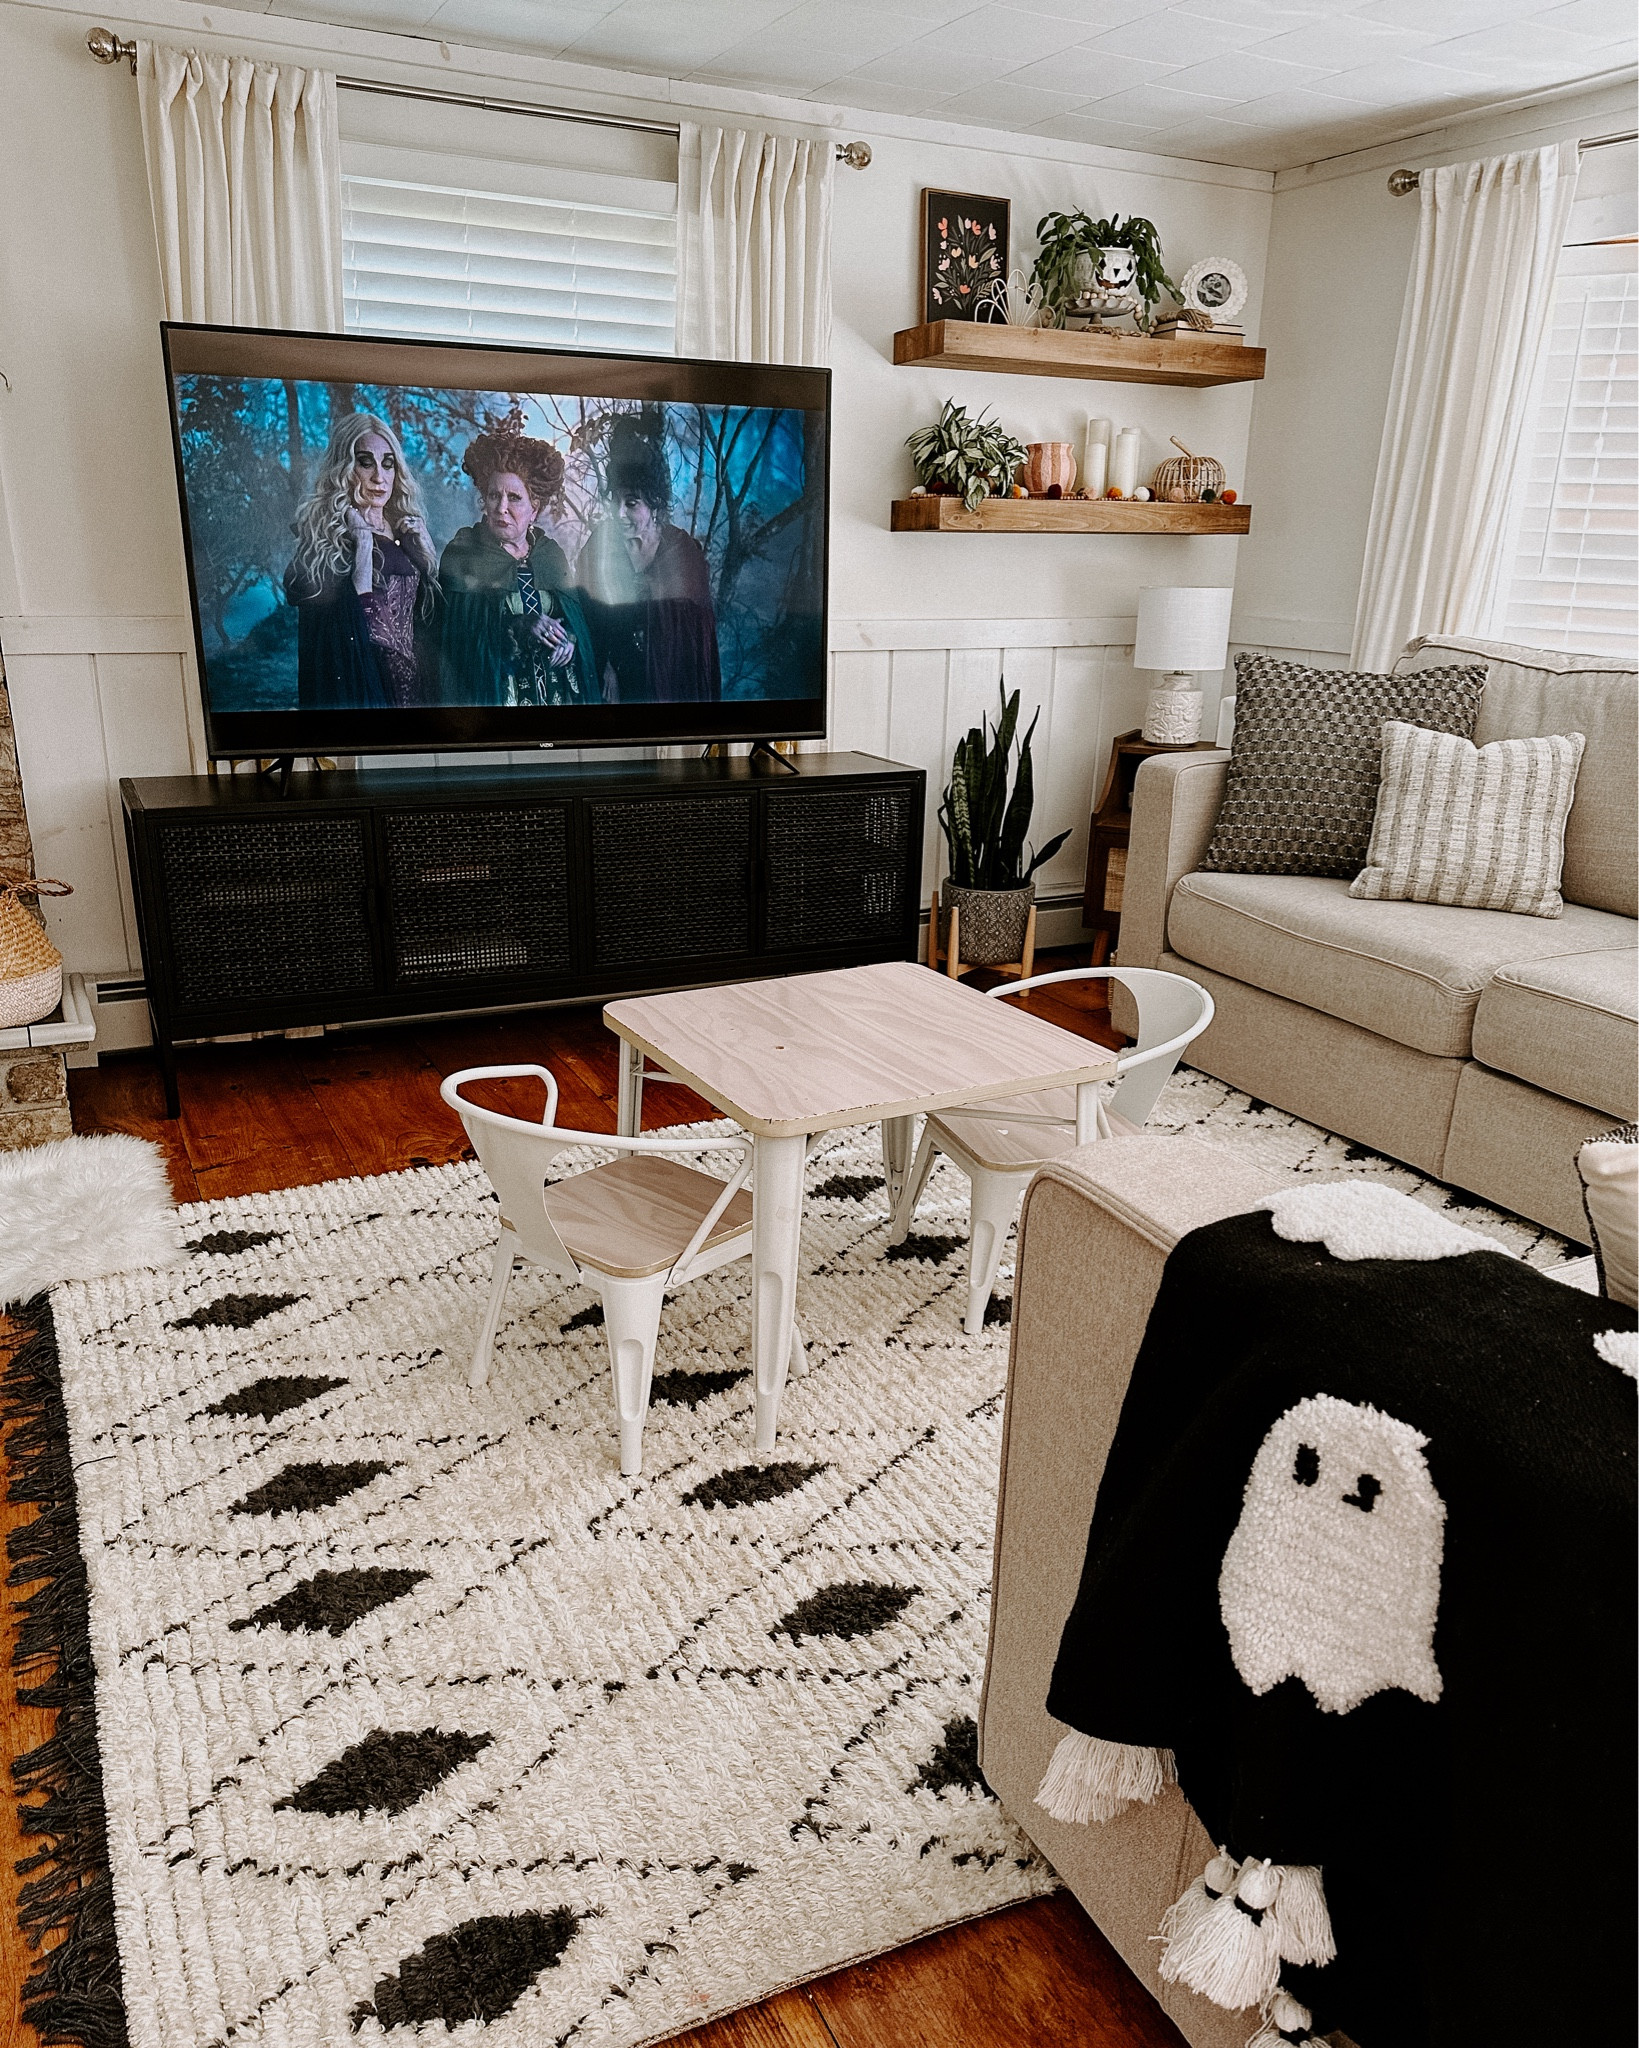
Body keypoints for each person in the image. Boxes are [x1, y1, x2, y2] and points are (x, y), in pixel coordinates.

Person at [437, 420, 598, 708]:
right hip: (497, 709)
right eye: (494, 495)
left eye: (514, 498)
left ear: (534, 508)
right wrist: (516, 625)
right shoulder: (463, 554)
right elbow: (452, 645)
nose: (501, 508)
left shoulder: (551, 555)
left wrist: (569, 640)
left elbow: (577, 626)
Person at [284, 414, 438, 710]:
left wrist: (428, 557)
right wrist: (363, 542)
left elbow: (431, 623)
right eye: (366, 462)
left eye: (388, 463)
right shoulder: (327, 541)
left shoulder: (407, 532)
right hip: (364, 688)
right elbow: (340, 632)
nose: (379, 477)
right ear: (344, 468)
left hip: (416, 692)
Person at [579, 409, 721, 705]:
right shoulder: (599, 548)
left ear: (655, 506)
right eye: (615, 501)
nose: (619, 513)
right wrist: (604, 665)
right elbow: (585, 620)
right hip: (613, 692)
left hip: (670, 691)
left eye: (631, 503)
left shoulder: (684, 555)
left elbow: (698, 649)